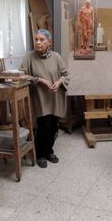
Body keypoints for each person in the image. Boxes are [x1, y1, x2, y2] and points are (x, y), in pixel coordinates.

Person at [20, 29, 70, 168]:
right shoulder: (29, 57)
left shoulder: (56, 57)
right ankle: (41, 154)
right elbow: (22, 75)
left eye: (42, 40)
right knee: (43, 126)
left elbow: (66, 75)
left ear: (49, 42)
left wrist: (59, 82)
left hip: (55, 98)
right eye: (36, 39)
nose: (38, 42)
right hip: (40, 99)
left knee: (54, 126)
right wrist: (40, 80)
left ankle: (49, 151)